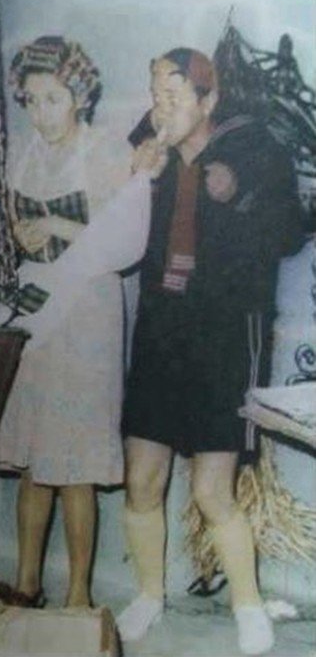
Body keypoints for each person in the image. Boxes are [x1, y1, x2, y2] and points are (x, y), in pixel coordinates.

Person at [118, 48, 304, 655]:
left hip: (222, 334)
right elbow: (119, 239)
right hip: (161, 330)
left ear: (209, 102)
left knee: (211, 490)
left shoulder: (253, 148)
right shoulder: (149, 149)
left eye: (174, 98)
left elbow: (290, 230)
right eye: (156, 96)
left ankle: (248, 606)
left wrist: (236, 195)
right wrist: (134, 182)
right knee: (141, 479)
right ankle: (148, 596)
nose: (161, 109)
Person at [0, 36, 140, 608]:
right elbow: (8, 231)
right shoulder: (24, 153)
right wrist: (18, 235)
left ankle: (78, 595)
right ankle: (26, 583)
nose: (41, 113)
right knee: (35, 456)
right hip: (37, 309)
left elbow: (126, 243)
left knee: (75, 462)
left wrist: (54, 227)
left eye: (52, 99)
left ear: (79, 95)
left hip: (88, 313)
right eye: (31, 101)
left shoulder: (107, 151)